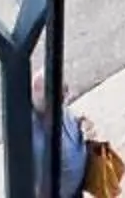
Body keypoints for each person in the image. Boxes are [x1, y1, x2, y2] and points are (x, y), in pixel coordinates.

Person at [29, 64, 88, 198]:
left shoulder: (54, 111)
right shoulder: (39, 143)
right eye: (63, 92)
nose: (67, 93)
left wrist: (78, 123)